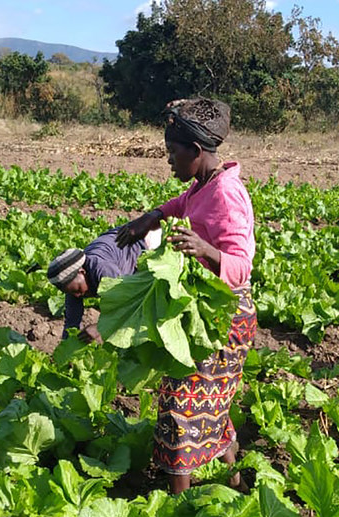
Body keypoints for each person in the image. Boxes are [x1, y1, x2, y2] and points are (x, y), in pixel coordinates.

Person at [116, 97, 257, 495]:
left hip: (225, 318)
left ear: (196, 152)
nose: (169, 161)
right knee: (209, 404)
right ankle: (236, 485)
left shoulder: (227, 194)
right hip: (208, 314)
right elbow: (184, 203)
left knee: (181, 407)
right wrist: (155, 216)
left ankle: (176, 514)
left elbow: (241, 267)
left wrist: (205, 250)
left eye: (173, 153)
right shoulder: (205, 182)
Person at [47, 225, 161, 342]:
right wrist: (67, 348)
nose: (77, 296)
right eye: (71, 293)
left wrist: (100, 328)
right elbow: (71, 322)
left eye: (77, 290)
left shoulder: (104, 271)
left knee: (154, 302)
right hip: (119, 242)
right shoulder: (72, 285)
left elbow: (129, 305)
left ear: (82, 272)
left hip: (146, 238)